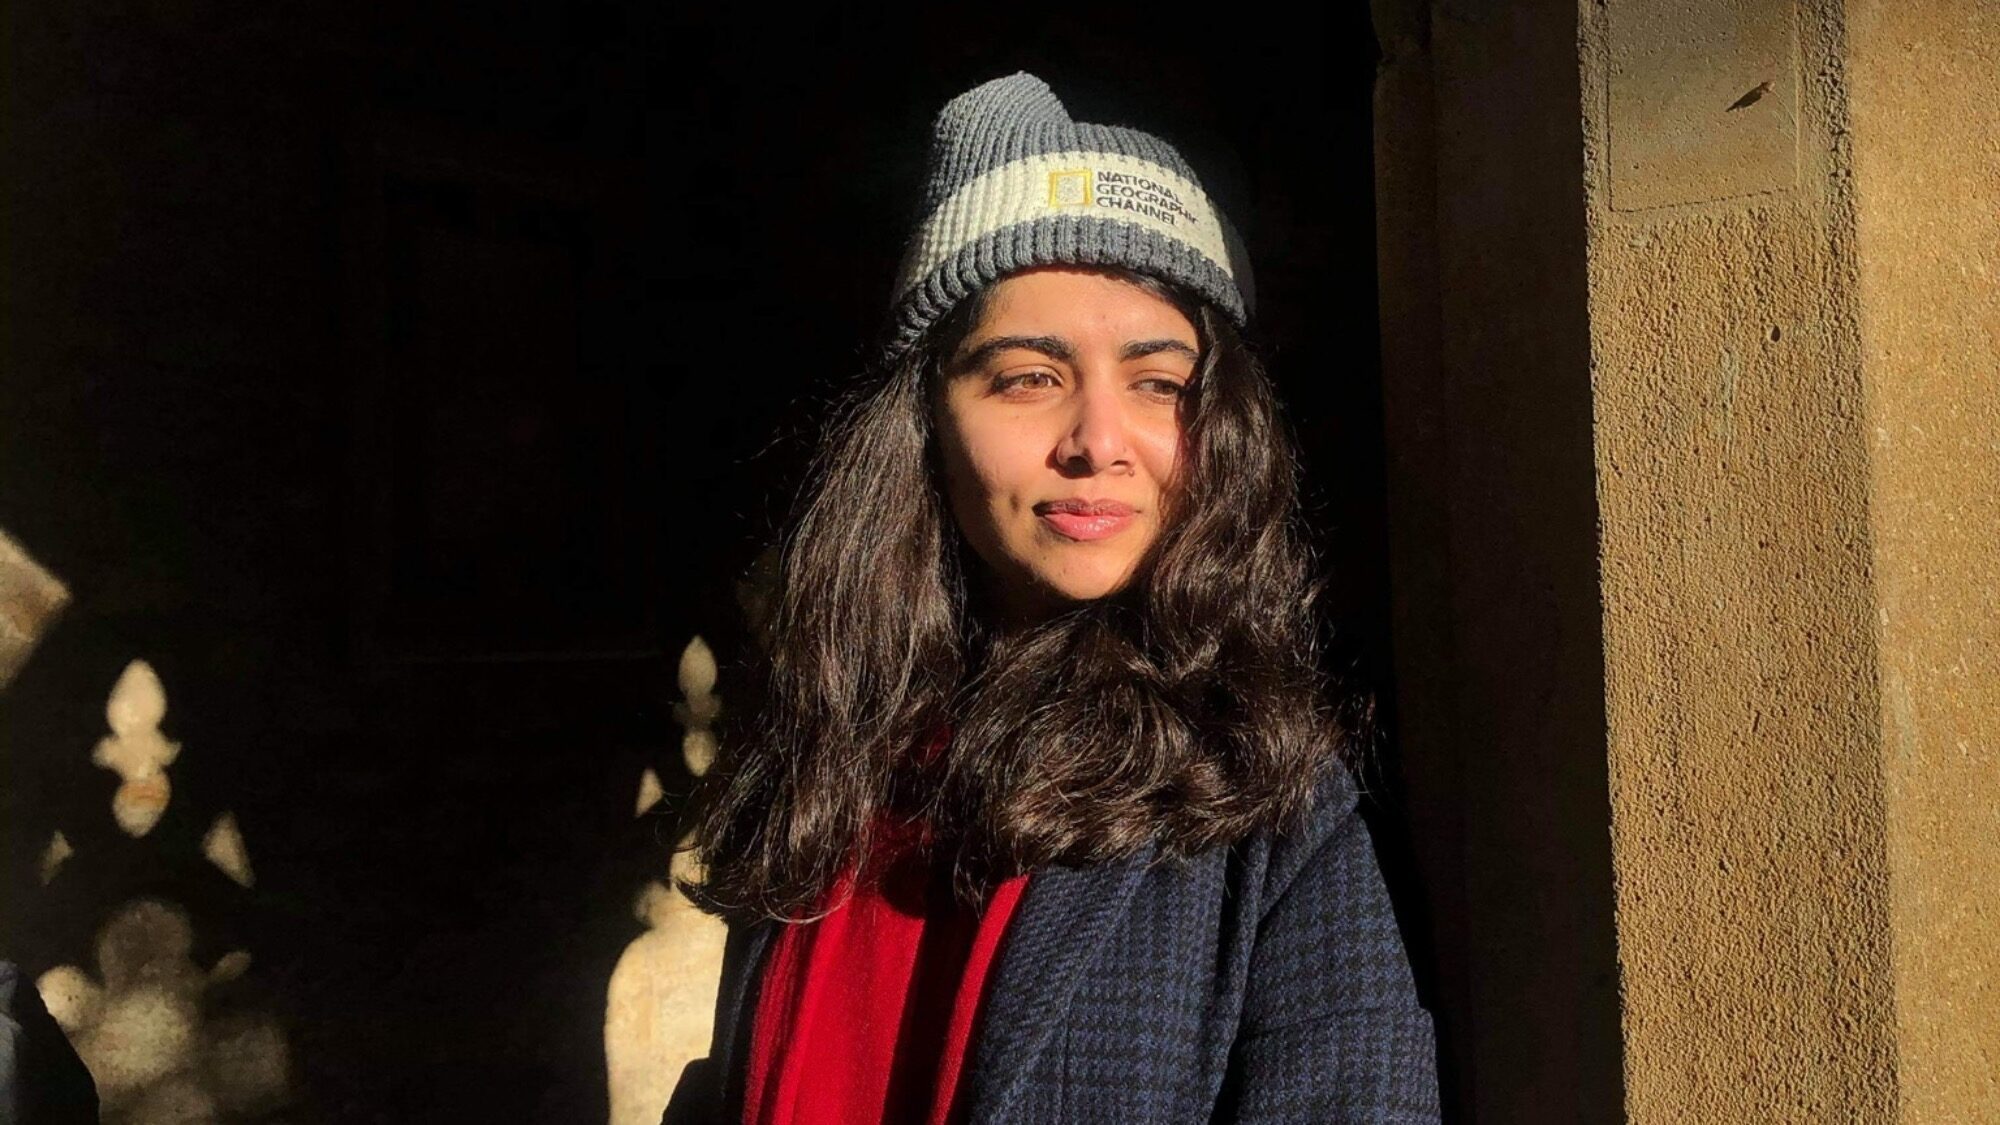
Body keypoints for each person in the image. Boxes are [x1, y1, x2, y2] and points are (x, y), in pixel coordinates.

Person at [663, 72, 1440, 1124]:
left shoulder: (1282, 804)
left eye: (1158, 383)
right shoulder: (830, 757)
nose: (1096, 443)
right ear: (924, 422)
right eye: (1027, 376)